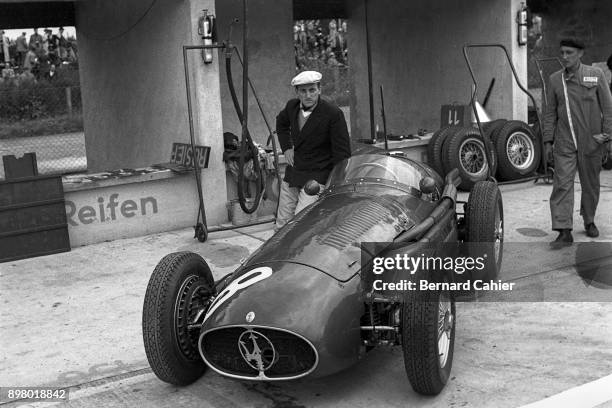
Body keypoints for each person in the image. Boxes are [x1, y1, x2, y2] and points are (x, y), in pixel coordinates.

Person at [542, 37, 612, 247]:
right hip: (565, 142)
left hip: (592, 141)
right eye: (562, 52)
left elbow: (608, 109)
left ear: (580, 54)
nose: (564, 57)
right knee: (562, 184)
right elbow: (549, 113)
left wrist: (608, 138)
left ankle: (589, 220)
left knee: (591, 185)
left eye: (569, 53)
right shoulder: (555, 80)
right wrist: (547, 141)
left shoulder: (596, 75)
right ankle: (564, 230)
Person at [275, 70, 351, 230]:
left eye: (312, 90)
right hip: (294, 172)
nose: (308, 95)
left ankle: (299, 254)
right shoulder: (292, 107)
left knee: (301, 223)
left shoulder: (333, 114)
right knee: (282, 223)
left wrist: (335, 184)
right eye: (303, 91)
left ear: (319, 90)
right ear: (297, 92)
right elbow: (281, 124)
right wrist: (287, 148)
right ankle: (279, 254)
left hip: (317, 176)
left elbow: (342, 154)